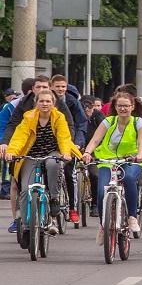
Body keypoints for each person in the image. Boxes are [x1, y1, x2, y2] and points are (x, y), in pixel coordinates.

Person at [4, 90, 82, 239]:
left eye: (48, 101)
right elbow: (19, 137)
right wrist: (12, 151)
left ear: (53, 103)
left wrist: (65, 153)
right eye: (41, 101)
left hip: (52, 152)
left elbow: (64, 137)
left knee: (53, 164)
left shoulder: (59, 117)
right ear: (36, 103)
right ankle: (27, 227)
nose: (45, 104)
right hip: (31, 155)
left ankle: (53, 199)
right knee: (26, 190)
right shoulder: (29, 117)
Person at [82, 92, 142, 244]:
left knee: (130, 178)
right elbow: (95, 139)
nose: (123, 109)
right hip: (108, 160)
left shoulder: (139, 122)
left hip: (131, 160)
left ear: (132, 107)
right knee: (101, 191)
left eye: (126, 106)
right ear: (115, 107)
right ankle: (103, 225)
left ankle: (132, 217)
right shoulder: (109, 121)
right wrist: (87, 152)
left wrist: (139, 154)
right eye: (120, 106)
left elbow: (141, 142)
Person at [51, 75, 88, 225]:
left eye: (63, 87)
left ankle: (72, 208)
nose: (60, 89)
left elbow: (81, 123)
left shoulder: (72, 102)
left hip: (69, 143)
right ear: (51, 86)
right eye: (57, 86)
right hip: (50, 144)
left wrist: (77, 143)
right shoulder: (44, 100)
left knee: (69, 173)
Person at [2, 78, 35, 231]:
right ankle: (17, 218)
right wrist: (5, 145)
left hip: (43, 149)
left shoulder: (52, 105)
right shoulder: (14, 106)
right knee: (16, 183)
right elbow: (6, 126)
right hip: (19, 149)